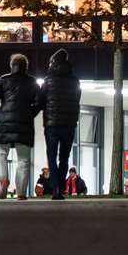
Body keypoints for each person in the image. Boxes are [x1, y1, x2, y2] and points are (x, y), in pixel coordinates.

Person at [0, 52, 43, 199]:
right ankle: (21, 193)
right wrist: (29, 114)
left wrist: (0, 114)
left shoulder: (3, 80)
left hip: (4, 123)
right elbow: (39, 103)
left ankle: (3, 179)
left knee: (1, 153)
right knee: (23, 160)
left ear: (12, 66)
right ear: (26, 67)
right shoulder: (32, 82)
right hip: (24, 124)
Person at [39, 47, 81, 200]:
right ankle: (61, 188)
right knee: (64, 157)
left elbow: (41, 100)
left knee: (51, 156)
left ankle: (56, 188)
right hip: (69, 124)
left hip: (51, 125)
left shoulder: (48, 81)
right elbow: (77, 99)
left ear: (52, 63)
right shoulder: (75, 81)